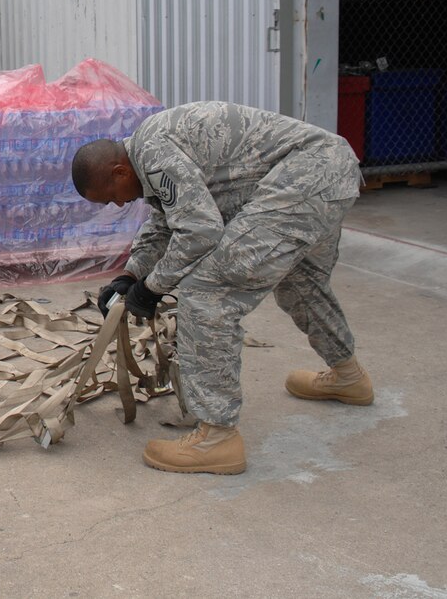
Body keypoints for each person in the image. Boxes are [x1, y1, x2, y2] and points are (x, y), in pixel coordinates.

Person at [72, 101, 373, 475]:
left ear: (118, 171)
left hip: (305, 179)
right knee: (300, 282)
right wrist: (131, 276)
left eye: (111, 196)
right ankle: (349, 377)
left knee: (207, 293)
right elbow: (168, 221)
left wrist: (152, 288)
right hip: (328, 171)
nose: (119, 203)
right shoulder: (148, 152)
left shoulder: (152, 152)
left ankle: (217, 438)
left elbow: (200, 230)